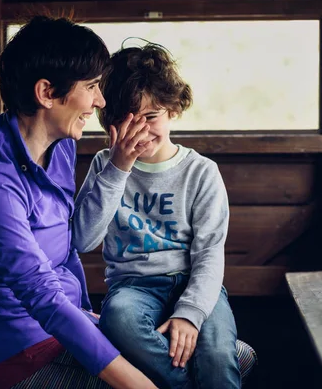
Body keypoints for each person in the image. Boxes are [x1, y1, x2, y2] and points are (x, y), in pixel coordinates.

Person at [0, 16, 157, 389]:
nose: (100, 100)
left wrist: (91, 319)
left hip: (68, 327)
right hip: (17, 357)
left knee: (228, 355)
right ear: (46, 92)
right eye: (91, 86)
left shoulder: (60, 146)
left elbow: (67, 248)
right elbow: (39, 291)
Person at [72, 43, 245, 388]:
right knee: (117, 319)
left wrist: (190, 314)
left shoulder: (201, 172)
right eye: (126, 119)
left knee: (216, 355)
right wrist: (119, 169)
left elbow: (210, 254)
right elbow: (82, 239)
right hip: (132, 286)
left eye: (150, 117)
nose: (139, 130)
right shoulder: (105, 166)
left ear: (173, 110)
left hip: (192, 280)